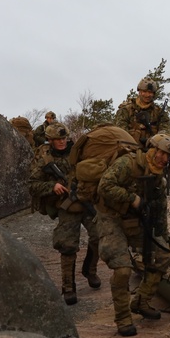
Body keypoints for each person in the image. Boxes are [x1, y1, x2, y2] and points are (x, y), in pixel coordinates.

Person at [96, 133, 170, 336]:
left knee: (162, 256)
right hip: (111, 218)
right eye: (162, 154)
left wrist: (163, 238)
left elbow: (160, 210)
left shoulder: (158, 177)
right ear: (152, 149)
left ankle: (141, 301)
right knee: (123, 269)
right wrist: (132, 198)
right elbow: (104, 186)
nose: (165, 159)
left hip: (135, 222)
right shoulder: (127, 163)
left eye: (168, 156)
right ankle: (123, 318)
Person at [28, 122, 102, 305]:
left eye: (63, 138)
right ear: (50, 140)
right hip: (66, 206)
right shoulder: (44, 158)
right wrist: (52, 186)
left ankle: (90, 270)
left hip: (85, 200)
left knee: (99, 235)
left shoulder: (78, 152)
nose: (61, 142)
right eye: (57, 139)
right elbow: (32, 185)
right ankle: (68, 287)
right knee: (67, 245)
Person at [115, 78, 165, 148]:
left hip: (152, 150)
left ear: (153, 94)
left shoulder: (159, 112)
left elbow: (165, 132)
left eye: (150, 92)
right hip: (129, 149)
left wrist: (153, 141)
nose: (147, 95)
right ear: (139, 92)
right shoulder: (126, 109)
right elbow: (121, 131)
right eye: (144, 91)